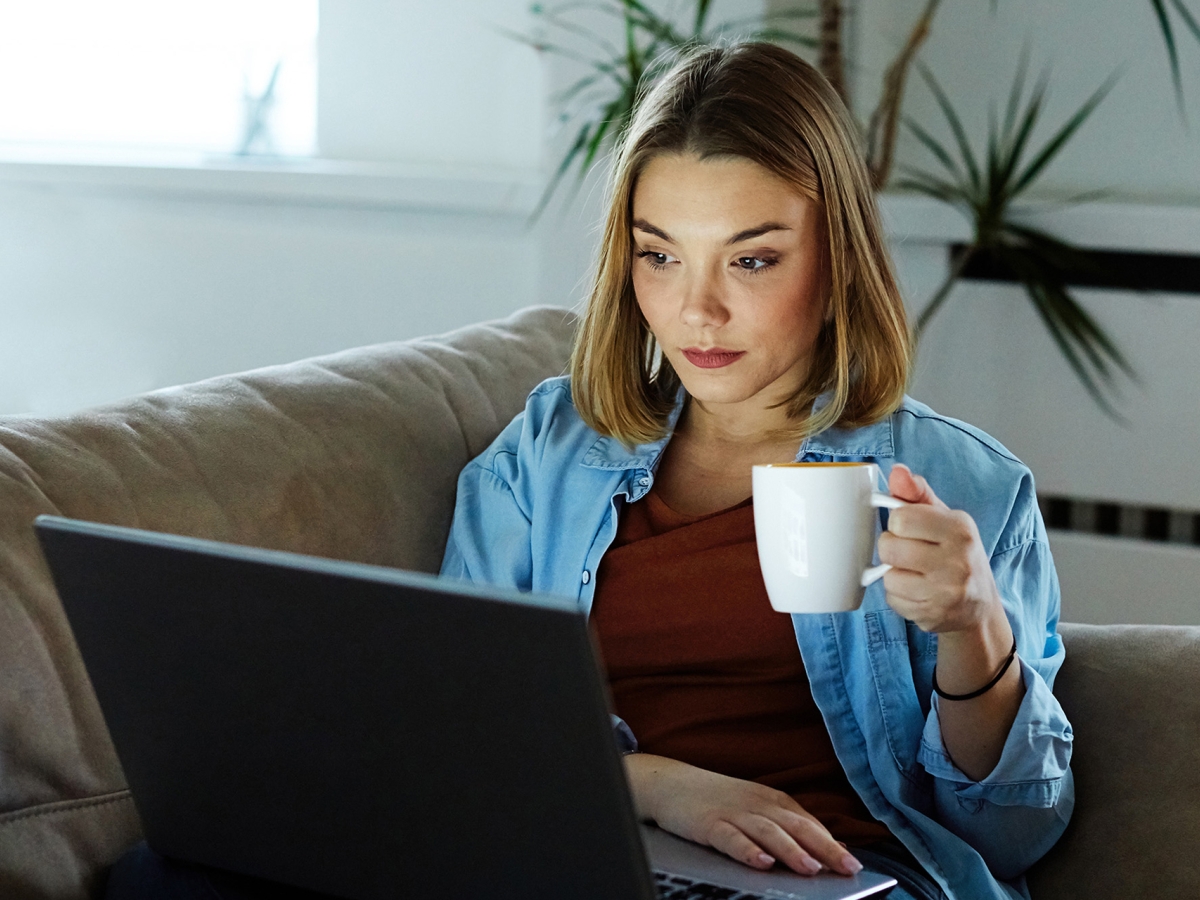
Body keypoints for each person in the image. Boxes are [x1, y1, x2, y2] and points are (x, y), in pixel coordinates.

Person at [440, 41, 1072, 900]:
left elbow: (1014, 834)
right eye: (659, 255)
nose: (696, 309)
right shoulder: (548, 455)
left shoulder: (967, 486)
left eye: (751, 259)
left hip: (852, 880)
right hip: (591, 859)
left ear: (836, 258)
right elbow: (458, 732)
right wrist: (660, 787)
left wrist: (973, 629)